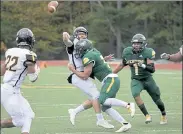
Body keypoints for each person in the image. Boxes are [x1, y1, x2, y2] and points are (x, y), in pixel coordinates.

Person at [68, 39, 135, 132]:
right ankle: (125, 124)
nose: (78, 52)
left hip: (110, 79)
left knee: (100, 100)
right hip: (110, 79)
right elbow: (98, 61)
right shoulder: (94, 51)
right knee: (105, 107)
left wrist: (73, 70)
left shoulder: (87, 57)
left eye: (80, 49)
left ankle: (128, 105)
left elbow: (85, 76)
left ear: (85, 49)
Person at [63, 26, 114, 129]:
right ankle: (100, 120)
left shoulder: (85, 45)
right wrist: (65, 34)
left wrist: (103, 59)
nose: (82, 35)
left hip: (83, 75)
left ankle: (74, 111)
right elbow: (66, 40)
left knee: (93, 99)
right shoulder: (73, 44)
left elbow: (90, 60)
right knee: (97, 96)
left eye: (84, 34)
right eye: (80, 34)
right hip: (77, 75)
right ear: (75, 35)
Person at [113, 33, 168, 125]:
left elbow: (152, 69)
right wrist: (112, 74)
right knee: (135, 94)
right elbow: (122, 64)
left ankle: (163, 114)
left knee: (157, 100)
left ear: (143, 44)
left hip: (148, 79)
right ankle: (147, 115)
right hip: (136, 79)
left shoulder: (148, 52)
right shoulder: (127, 52)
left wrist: (142, 65)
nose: (136, 45)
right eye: (134, 43)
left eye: (138, 43)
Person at [0, 28, 40, 134]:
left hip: (5, 88)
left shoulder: (10, 51)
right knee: (20, 121)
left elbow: (1, 72)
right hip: (11, 92)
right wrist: (36, 69)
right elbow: (33, 78)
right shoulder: (30, 55)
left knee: (29, 115)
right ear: (31, 41)